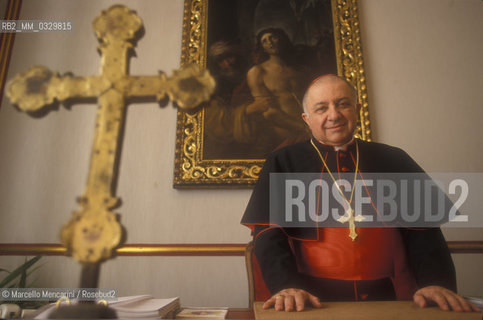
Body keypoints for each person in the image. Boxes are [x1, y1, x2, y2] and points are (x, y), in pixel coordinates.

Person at [241, 75, 480, 313]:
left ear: (356, 109)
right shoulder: (283, 161)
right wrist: (287, 286)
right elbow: (268, 233)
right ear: (306, 118)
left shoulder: (393, 159)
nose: (334, 115)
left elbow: (425, 231)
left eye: (343, 104)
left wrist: (435, 282)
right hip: (310, 299)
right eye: (321, 108)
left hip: (391, 296)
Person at [244, 28, 310, 155]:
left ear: (282, 39)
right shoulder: (257, 72)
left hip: (310, 131)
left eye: (273, 37)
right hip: (285, 135)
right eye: (265, 41)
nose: (270, 42)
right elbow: (268, 112)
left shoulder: (301, 71)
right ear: (262, 48)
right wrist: (303, 128)